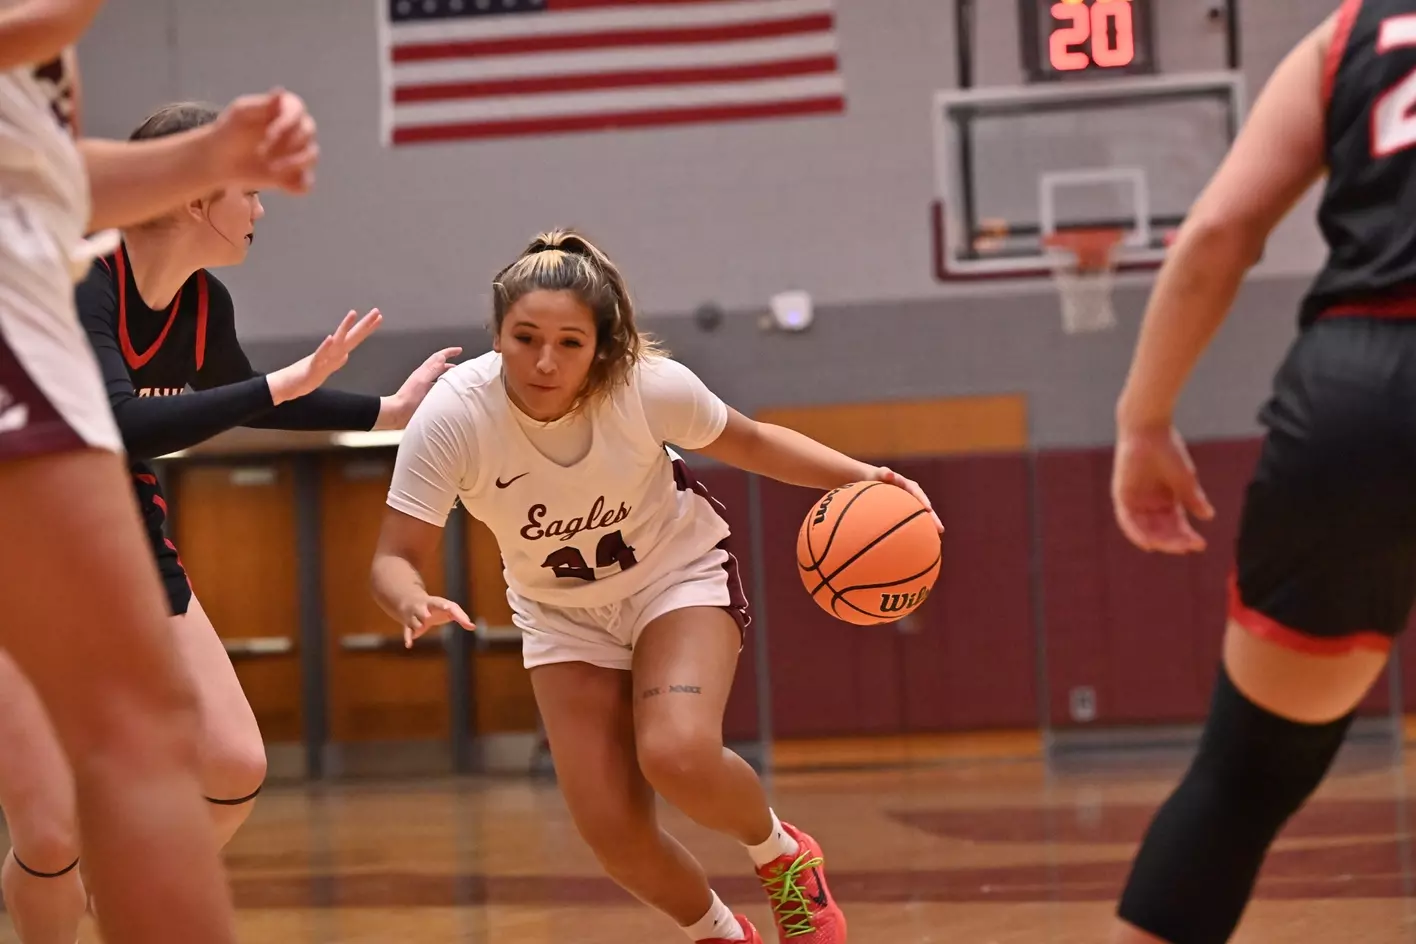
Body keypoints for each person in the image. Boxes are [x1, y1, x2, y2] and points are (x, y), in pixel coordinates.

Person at [371, 229, 943, 944]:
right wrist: (408, 597)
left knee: (675, 753)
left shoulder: (647, 387)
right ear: (497, 332)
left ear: (601, 346)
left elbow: (756, 442)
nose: (544, 360)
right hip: (560, 615)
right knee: (611, 831)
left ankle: (783, 856)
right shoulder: (455, 415)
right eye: (524, 337)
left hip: (676, 577)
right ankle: (719, 933)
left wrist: (867, 478)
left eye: (569, 343)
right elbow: (394, 554)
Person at [0, 96, 460, 944]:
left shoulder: (205, 306)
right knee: (50, 831)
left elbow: (248, 398)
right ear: (190, 198)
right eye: (248, 192)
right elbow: (123, 419)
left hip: (116, 517)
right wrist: (282, 384)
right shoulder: (80, 276)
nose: (258, 212)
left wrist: (385, 410)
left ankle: (116, 888)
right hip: (19, 530)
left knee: (234, 763)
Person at [0, 2, 327, 943]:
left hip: (37, 380)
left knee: (151, 755)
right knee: (57, 824)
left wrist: (210, 154)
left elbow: (50, 183)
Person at [1107, 2, 1416, 941]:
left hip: (1362, 394)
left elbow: (1216, 238)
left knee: (1243, 780)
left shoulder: (1353, 35)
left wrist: (1143, 420)